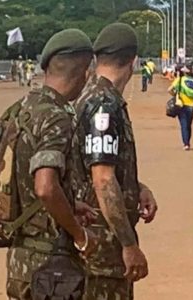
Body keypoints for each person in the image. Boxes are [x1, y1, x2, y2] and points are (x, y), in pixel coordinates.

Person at [5, 29, 98, 299]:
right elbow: (45, 187)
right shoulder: (56, 117)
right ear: (84, 72)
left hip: (19, 258)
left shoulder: (18, 111)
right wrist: (79, 235)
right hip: (50, 265)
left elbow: (23, 182)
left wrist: (69, 202)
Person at [70, 23, 157, 299]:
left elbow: (92, 164)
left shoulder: (90, 96)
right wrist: (129, 244)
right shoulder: (103, 104)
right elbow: (103, 179)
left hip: (92, 238)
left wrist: (137, 186)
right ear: (134, 62)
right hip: (103, 244)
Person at [167, 64, 193, 150]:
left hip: (181, 105)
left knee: (183, 125)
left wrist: (175, 95)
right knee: (188, 125)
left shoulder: (179, 80)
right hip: (192, 106)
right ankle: (187, 142)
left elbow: (169, 89)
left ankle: (186, 143)